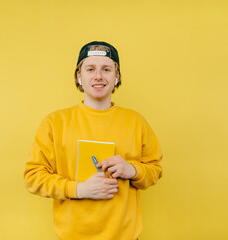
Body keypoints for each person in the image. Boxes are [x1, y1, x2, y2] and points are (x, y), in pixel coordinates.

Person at [24, 41, 163, 240]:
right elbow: (33, 176)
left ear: (117, 77)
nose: (98, 76)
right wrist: (79, 189)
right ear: (79, 77)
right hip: (72, 236)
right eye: (90, 69)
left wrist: (132, 169)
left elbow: (155, 169)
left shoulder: (136, 121)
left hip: (126, 236)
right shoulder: (54, 122)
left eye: (106, 69)